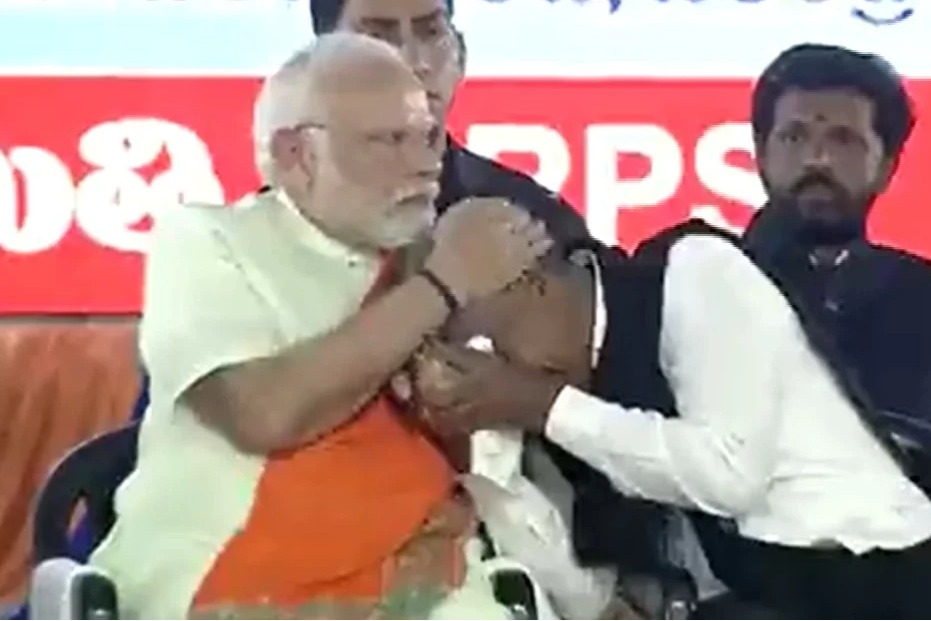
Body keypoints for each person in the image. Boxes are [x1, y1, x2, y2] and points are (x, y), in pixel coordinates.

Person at [88, 33, 554, 619]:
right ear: (297, 156)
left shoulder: (442, 255)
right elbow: (265, 414)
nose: (424, 162)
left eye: (428, 136)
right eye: (388, 141)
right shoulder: (208, 240)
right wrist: (440, 286)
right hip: (232, 580)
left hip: (427, 578)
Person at [408, 222, 931, 618]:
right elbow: (572, 581)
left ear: (532, 285)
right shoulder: (555, 394)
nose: (492, 369)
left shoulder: (697, 273)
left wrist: (543, 406)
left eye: (488, 342)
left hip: (871, 577)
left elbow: (729, 474)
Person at [743, 43, 931, 428]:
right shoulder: (698, 283)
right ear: (761, 155)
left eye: (843, 139)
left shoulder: (922, 298)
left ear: (887, 166)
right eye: (794, 137)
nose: (817, 159)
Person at [309, 0, 590, 246]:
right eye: (378, 38)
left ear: (461, 55)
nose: (415, 62)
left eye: (431, 32)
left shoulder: (533, 221)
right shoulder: (289, 222)